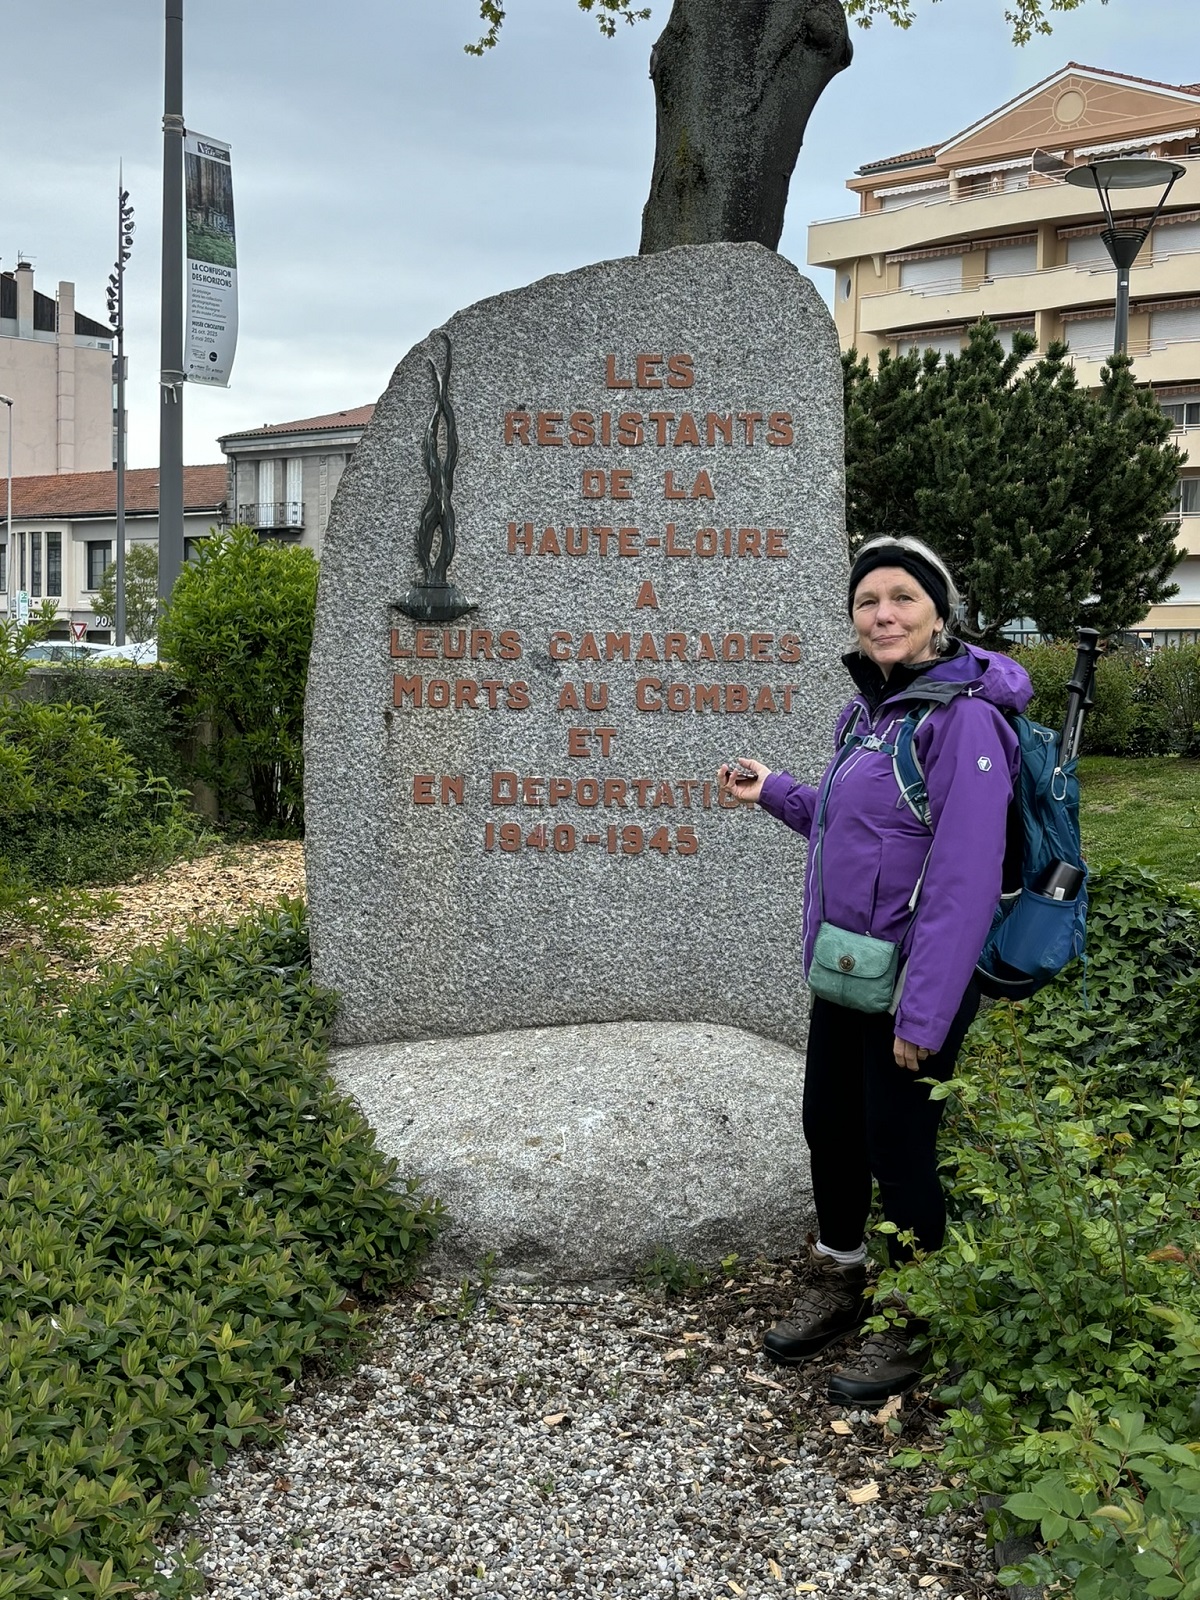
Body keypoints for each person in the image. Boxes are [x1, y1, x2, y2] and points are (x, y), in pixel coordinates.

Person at [718, 535, 1032, 1405]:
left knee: (899, 1144)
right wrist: (776, 790)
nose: (883, 614)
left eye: (902, 598)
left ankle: (919, 1312)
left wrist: (923, 1015)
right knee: (830, 1124)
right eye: (867, 601)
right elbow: (852, 826)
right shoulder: (869, 716)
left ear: (938, 615)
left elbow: (966, 879)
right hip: (850, 968)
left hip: (916, 983)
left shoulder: (963, 720)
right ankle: (843, 1276)